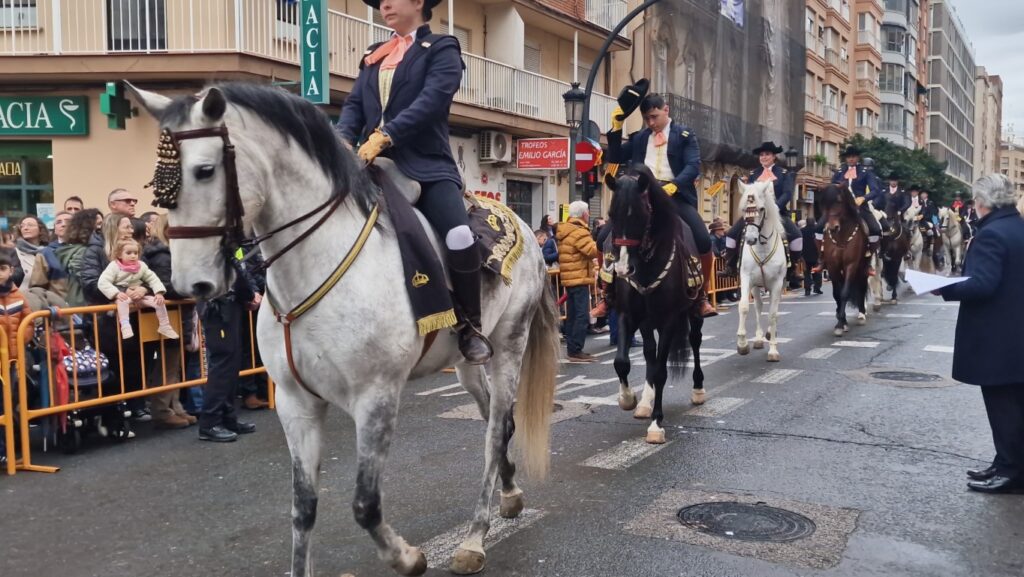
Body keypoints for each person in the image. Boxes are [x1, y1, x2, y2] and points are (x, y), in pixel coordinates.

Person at [335, 0, 490, 364]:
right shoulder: (374, 54)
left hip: (426, 166)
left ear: (418, 2)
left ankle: (471, 325)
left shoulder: (441, 48)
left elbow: (431, 102)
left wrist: (386, 135)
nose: (384, 4)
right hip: (370, 165)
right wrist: (342, 140)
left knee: (459, 235)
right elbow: (354, 105)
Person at [936, 174, 1024, 494]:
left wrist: (942, 287)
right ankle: (1005, 462)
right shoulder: (1017, 227)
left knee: (1004, 406)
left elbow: (983, 284)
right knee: (1014, 404)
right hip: (1014, 333)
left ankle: (1012, 471)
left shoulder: (991, 234)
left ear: (983, 202)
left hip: (998, 336)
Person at [605, 93, 717, 317]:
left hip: (673, 196)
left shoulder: (684, 135)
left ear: (666, 110)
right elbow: (615, 156)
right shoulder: (640, 138)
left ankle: (702, 295)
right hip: (642, 195)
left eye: (654, 116)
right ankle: (606, 295)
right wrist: (616, 128)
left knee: (703, 239)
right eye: (647, 118)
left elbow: (692, 166)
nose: (651, 122)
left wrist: (674, 185)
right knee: (604, 238)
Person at [197, 250, 261, 442]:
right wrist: (249, 295)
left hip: (228, 306)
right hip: (218, 308)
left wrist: (248, 294)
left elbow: (239, 271)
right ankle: (210, 422)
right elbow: (236, 273)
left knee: (231, 365)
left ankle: (227, 418)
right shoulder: (214, 249)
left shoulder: (222, 248)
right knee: (222, 366)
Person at [719, 142, 802, 280]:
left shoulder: (783, 173)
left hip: (778, 213)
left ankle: (792, 268)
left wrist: (776, 207)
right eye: (761, 155)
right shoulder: (754, 174)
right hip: (754, 214)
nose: (764, 157)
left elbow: (787, 193)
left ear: (774, 156)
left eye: (767, 154)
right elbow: (749, 194)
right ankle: (730, 265)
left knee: (797, 237)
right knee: (731, 235)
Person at [97, 239, 179, 341]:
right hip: (124, 295)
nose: (133, 256)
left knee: (158, 302)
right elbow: (103, 282)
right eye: (128, 253)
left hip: (140, 296)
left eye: (135, 253)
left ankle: (165, 325)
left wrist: (158, 292)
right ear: (119, 254)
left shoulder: (141, 266)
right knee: (123, 301)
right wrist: (116, 293)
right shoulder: (113, 266)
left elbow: (153, 279)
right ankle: (125, 326)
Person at [822, 146, 882, 272]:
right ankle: (822, 259)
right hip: (840, 208)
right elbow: (832, 188)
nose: (851, 159)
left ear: (858, 158)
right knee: (818, 227)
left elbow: (875, 190)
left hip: (859, 207)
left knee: (875, 229)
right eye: (848, 157)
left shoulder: (865, 172)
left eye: (853, 157)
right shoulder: (839, 172)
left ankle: (869, 259)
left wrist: (863, 198)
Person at [557, 201, 598, 363]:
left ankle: (572, 349)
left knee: (572, 315)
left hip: (569, 277)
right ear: (583, 214)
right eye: (588, 212)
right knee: (581, 315)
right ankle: (576, 350)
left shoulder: (565, 229)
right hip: (579, 277)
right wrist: (602, 242)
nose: (589, 214)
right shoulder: (579, 231)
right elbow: (591, 251)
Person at [0, 253, 32, 462]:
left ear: (11, 271)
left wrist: (21, 340)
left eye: (2, 268)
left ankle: (5, 450)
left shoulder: (19, 296)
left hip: (11, 360)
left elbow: (28, 322)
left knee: (7, 403)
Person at [56, 209, 100, 307]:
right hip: (84, 303)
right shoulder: (83, 251)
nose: (101, 227)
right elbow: (85, 278)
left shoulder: (72, 249)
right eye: (98, 224)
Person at [29, 211, 71, 298]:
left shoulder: (86, 249)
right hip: (58, 303)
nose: (63, 225)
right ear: (55, 229)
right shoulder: (45, 253)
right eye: (59, 222)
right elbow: (37, 287)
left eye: (68, 221)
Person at [13, 215, 50, 292]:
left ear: (40, 230)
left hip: (47, 296)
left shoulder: (49, 251)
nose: (25, 228)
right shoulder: (14, 252)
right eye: (22, 226)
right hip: (23, 296)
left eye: (30, 225)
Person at [800, 218, 822, 295]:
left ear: (806, 222)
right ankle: (817, 288)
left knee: (806, 273)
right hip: (816, 254)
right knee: (817, 272)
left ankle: (807, 290)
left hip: (805, 255)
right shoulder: (817, 231)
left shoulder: (802, 231)